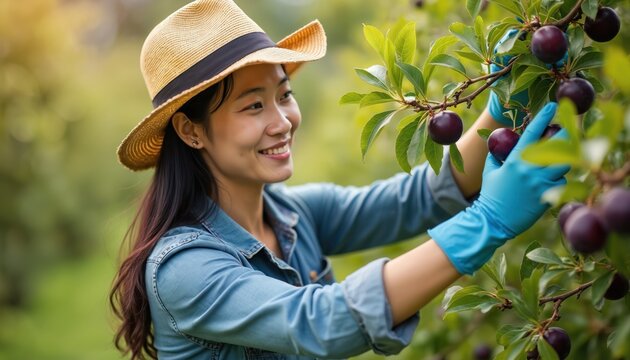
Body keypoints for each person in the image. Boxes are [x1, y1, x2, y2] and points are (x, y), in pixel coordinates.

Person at [110, 1, 570, 359]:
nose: (282, 121)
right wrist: (487, 222)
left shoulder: (293, 214)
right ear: (191, 131)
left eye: (284, 95)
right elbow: (320, 322)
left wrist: (503, 103)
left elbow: (417, 199)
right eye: (254, 106)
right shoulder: (183, 268)